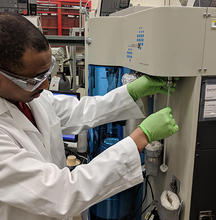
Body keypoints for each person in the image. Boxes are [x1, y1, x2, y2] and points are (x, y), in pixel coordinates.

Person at [0, 12, 179, 220]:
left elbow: (79, 111)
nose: (46, 85)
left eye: (48, 72)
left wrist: (130, 92)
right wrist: (138, 139)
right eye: (33, 80)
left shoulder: (31, 98)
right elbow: (60, 193)